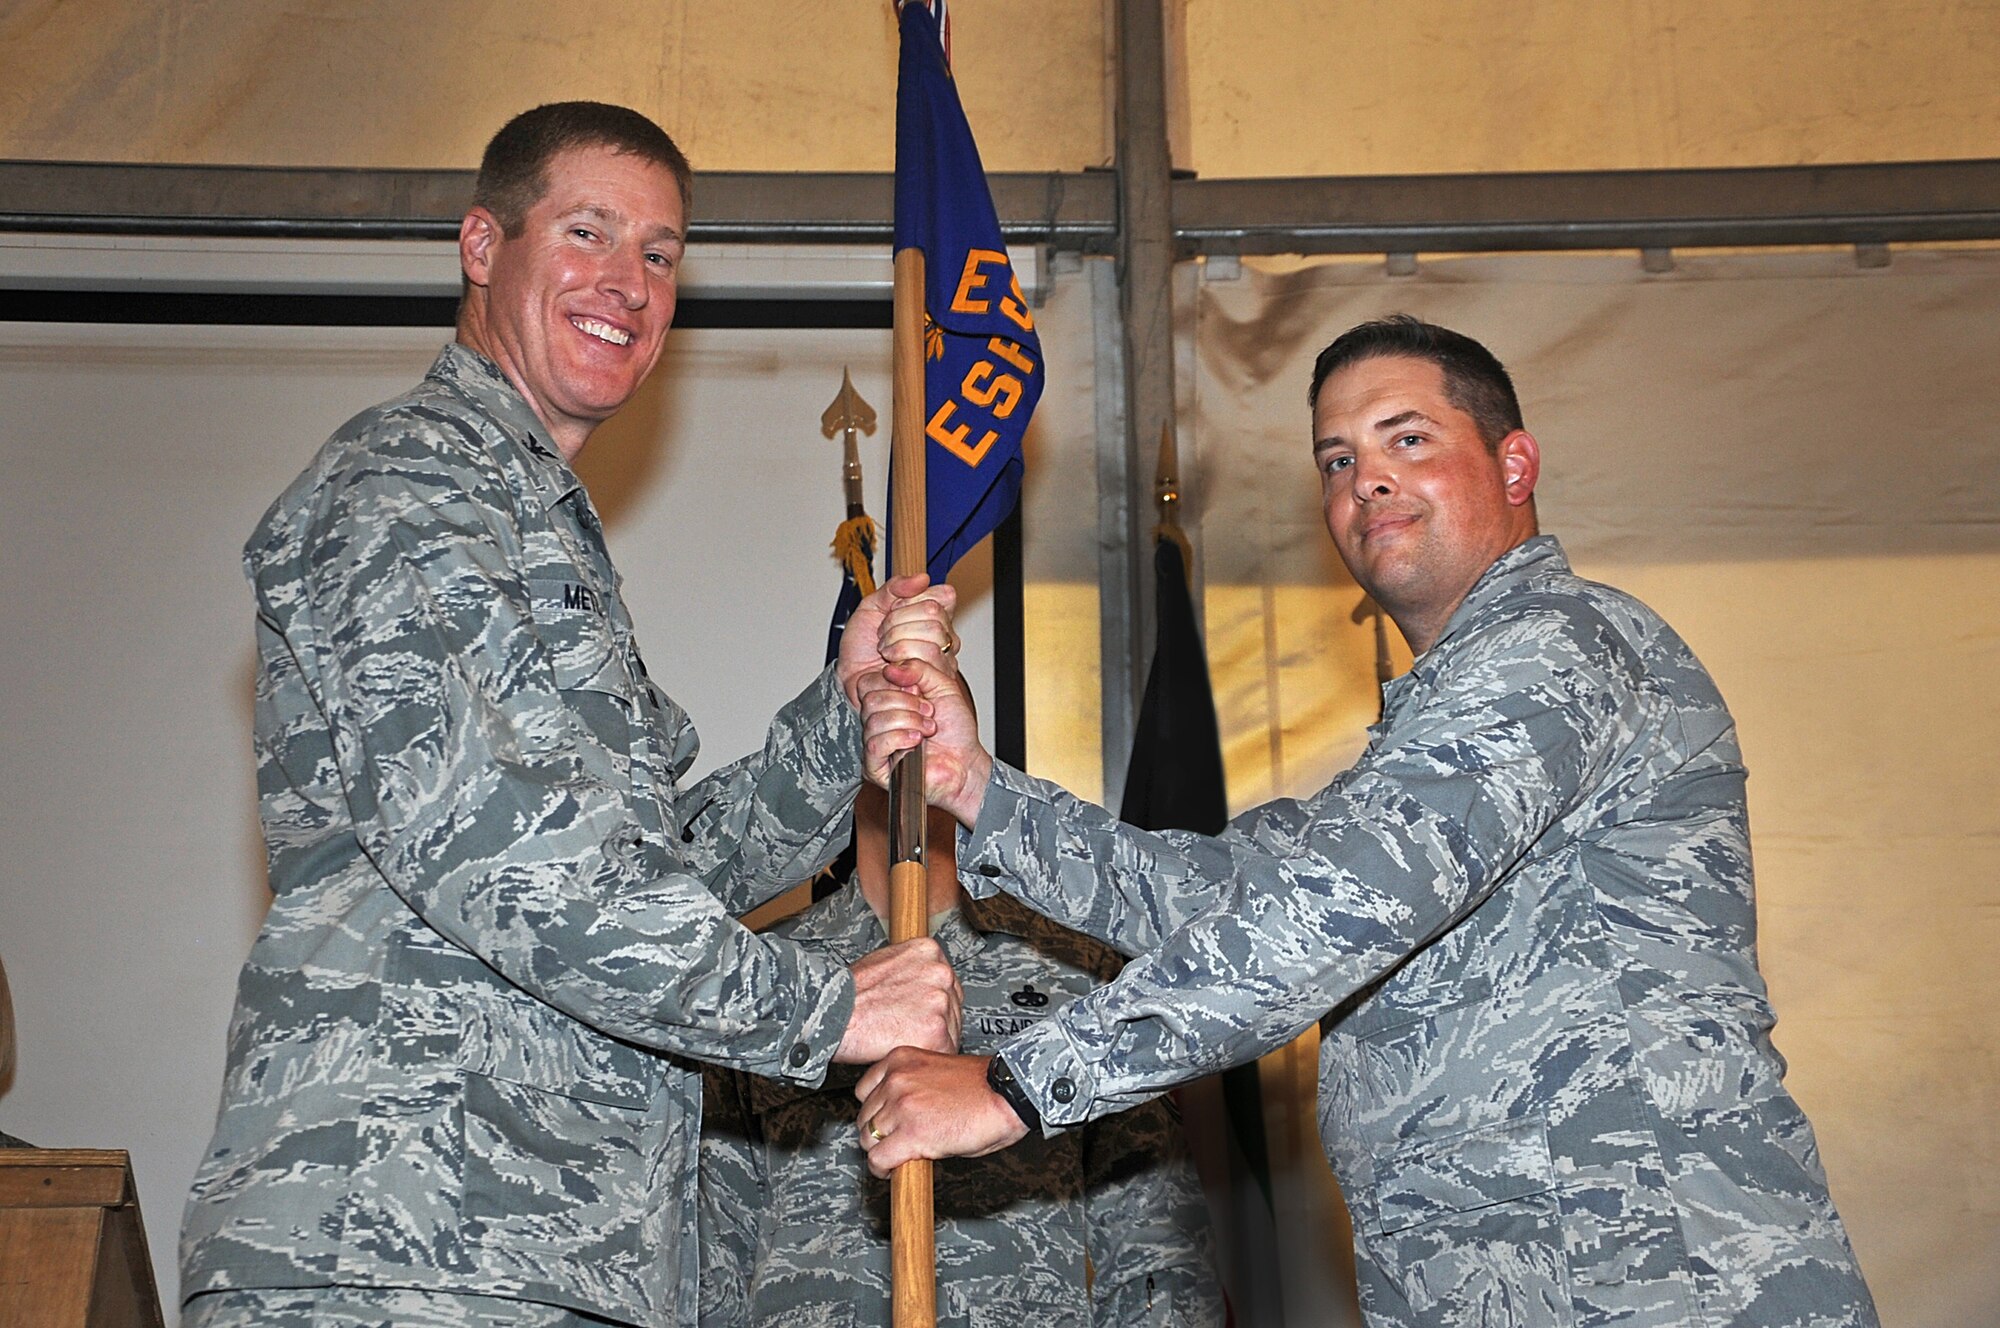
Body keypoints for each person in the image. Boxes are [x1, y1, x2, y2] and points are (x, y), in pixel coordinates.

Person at [855, 316, 1879, 1327]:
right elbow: (1233, 897)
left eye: (1407, 438)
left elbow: (1331, 909)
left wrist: (1015, 1085)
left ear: (1512, 463)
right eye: (1336, 458)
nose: (1364, 479)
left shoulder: (1560, 649)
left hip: (1660, 1282)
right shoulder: (1425, 739)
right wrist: (977, 786)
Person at [180, 102, 962, 1328]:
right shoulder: (408, 483)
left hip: (553, 1251)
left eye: (659, 254)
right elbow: (513, 862)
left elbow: (655, 872)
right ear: (482, 246)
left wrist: (843, 714)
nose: (628, 283)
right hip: (404, 1244)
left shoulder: (540, 523)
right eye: (587, 231)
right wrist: (830, 1009)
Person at [697, 743, 1222, 1328]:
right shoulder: (764, 976)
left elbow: (1154, 1246)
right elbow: (712, 1254)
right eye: (884, 712)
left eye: (928, 716)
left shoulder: (1074, 969)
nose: (907, 746)